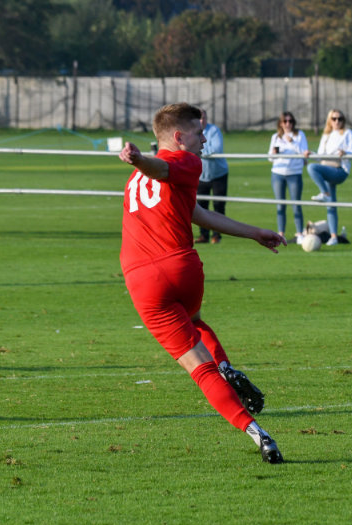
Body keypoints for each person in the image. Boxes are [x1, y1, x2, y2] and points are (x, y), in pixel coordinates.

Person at [118, 103, 287, 463]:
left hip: (143, 280)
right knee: (194, 322)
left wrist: (138, 162)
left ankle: (259, 435)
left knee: (199, 367)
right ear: (179, 137)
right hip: (183, 268)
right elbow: (186, 199)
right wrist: (255, 233)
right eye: (199, 133)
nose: (205, 140)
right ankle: (226, 369)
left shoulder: (139, 178)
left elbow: (165, 176)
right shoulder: (184, 163)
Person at [305, 109, 352, 246]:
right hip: (326, 168)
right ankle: (333, 237)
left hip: (339, 169)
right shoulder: (326, 135)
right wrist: (311, 153)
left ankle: (324, 193)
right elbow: (320, 156)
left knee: (312, 168)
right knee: (331, 205)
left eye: (340, 119)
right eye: (334, 119)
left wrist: (346, 152)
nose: (337, 121)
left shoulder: (347, 133)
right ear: (330, 120)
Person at [268, 111, 308, 244]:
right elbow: (270, 158)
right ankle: (281, 234)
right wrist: (273, 153)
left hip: (294, 173)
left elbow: (304, 153)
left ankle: (300, 234)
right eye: (285, 121)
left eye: (290, 121)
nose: (288, 124)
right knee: (280, 205)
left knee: (296, 204)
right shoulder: (275, 137)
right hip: (278, 173)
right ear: (280, 123)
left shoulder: (299, 135)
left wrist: (292, 143)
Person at [195, 108, 229, 244]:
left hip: (218, 174)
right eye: (199, 118)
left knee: (218, 205)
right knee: (201, 206)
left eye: (203, 117)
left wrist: (197, 150)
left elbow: (216, 149)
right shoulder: (191, 132)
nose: (201, 120)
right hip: (200, 175)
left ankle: (217, 235)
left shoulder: (214, 130)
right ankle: (204, 235)